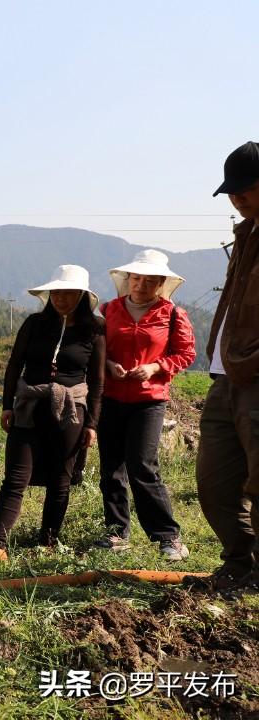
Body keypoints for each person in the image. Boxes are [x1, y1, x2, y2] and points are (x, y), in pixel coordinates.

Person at [0, 265, 104, 560]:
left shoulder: (95, 330)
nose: (61, 298)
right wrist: (7, 404)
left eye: (69, 293)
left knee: (60, 480)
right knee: (15, 476)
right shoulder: (34, 323)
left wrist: (92, 423)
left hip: (71, 411)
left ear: (82, 296)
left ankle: (48, 541)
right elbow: (15, 364)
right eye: (57, 292)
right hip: (29, 405)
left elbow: (97, 380)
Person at [94, 250, 195, 560]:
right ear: (128, 279)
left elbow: (186, 353)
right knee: (111, 467)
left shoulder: (172, 314)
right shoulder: (108, 310)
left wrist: (155, 368)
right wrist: (108, 364)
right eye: (136, 279)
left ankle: (168, 536)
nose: (141, 285)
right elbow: (94, 348)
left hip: (149, 400)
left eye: (149, 281)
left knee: (142, 465)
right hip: (111, 397)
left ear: (160, 283)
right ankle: (116, 532)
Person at [194, 141, 259, 589]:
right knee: (215, 482)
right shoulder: (246, 234)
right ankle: (240, 561)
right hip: (225, 376)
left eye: (247, 188)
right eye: (232, 191)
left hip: (255, 376)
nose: (238, 198)